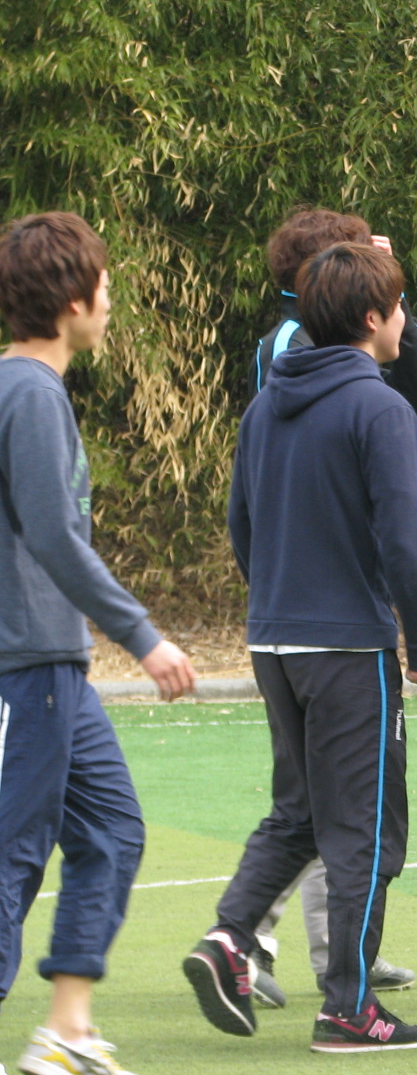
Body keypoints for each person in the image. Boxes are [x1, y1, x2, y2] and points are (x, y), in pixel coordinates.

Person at [183, 242, 417, 1053]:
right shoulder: (381, 409)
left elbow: (241, 523)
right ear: (372, 319)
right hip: (348, 649)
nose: (405, 321)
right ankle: (349, 1009)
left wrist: (277, 596)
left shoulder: (265, 406)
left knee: (300, 811)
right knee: (365, 830)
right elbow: (406, 541)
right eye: (400, 307)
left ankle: (229, 937)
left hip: (274, 638)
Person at [0, 211, 197, 1075]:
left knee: (112, 830)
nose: (111, 300)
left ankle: (66, 1031)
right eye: (105, 286)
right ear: (72, 300)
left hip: (56, 668)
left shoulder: (29, 389)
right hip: (26, 667)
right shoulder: (28, 394)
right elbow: (53, 536)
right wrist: (142, 638)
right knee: (11, 856)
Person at [246, 209, 417, 1011]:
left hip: (292, 623)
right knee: (335, 814)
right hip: (332, 629)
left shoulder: (323, 374)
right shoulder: (306, 359)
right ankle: (287, 963)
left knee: (322, 809)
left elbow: (416, 389)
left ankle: (317, 951)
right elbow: (401, 537)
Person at [254, 208, 417, 424]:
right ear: (326, 270)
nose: (366, 270)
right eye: (355, 263)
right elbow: (280, 431)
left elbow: (415, 405)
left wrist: (389, 289)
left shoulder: (347, 339)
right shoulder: (287, 343)